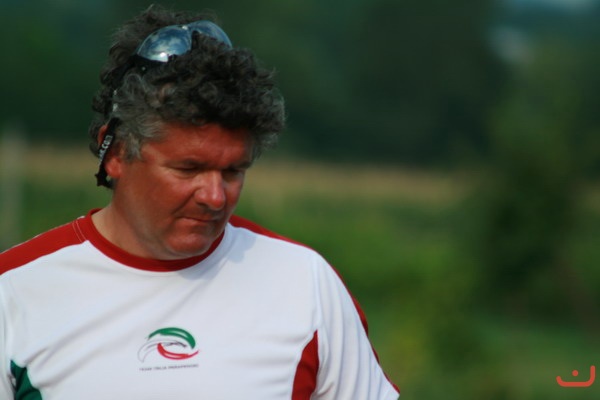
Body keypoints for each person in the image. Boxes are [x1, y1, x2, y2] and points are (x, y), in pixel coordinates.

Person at [0, 5, 400, 399]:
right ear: (117, 153)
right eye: (189, 169)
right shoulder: (14, 290)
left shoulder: (305, 283)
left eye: (233, 171)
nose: (215, 197)